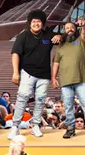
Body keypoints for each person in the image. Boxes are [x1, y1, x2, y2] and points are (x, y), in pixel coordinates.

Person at [7, 9, 61, 139]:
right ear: (30, 23)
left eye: (39, 22)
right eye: (34, 21)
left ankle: (36, 125)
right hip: (27, 72)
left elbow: (64, 36)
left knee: (41, 100)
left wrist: (60, 36)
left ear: (43, 23)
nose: (36, 24)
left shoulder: (47, 35)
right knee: (22, 97)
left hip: (44, 75)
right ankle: (15, 126)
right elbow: (15, 54)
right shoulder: (23, 36)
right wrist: (15, 73)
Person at [52, 18, 85, 142]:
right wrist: (53, 78)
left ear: (76, 29)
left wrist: (84, 25)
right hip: (65, 81)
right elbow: (56, 63)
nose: (69, 29)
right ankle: (70, 128)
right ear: (64, 31)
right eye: (67, 28)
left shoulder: (81, 40)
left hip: (81, 79)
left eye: (72, 27)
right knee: (68, 106)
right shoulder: (61, 46)